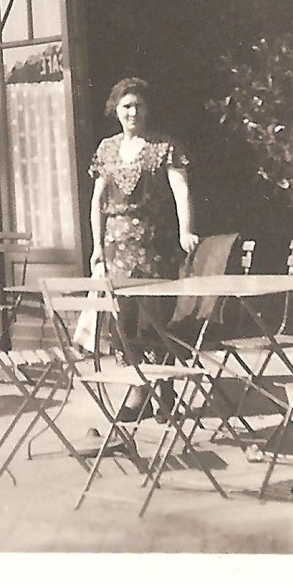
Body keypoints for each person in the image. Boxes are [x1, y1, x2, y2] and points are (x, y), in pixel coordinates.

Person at [87, 77, 198, 419]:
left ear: (147, 109)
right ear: (115, 111)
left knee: (155, 321)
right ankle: (138, 391)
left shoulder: (164, 146)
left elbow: (181, 190)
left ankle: (164, 392)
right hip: (115, 248)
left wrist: (186, 230)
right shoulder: (107, 149)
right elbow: (98, 202)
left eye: (138, 105)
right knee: (124, 323)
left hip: (153, 245)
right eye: (126, 106)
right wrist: (96, 248)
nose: (132, 112)